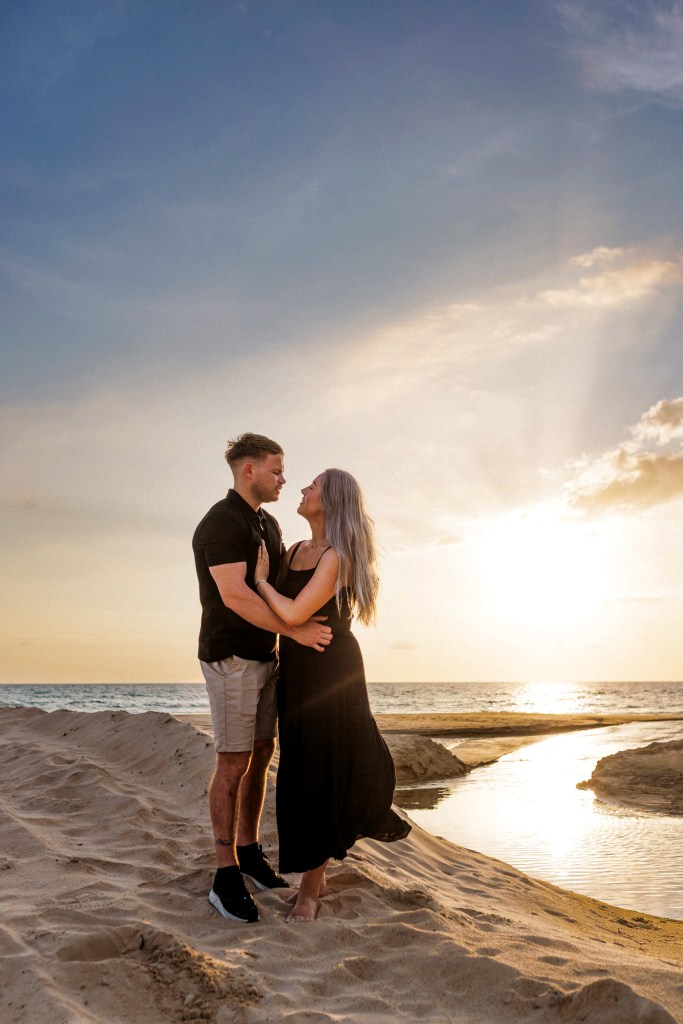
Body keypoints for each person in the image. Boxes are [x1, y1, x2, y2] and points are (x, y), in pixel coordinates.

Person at [253, 468, 411, 922]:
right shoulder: (295, 551)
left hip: (332, 672)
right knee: (302, 768)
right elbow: (283, 617)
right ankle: (315, 878)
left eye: (314, 485)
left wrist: (264, 583)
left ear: (333, 499)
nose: (302, 489)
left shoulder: (337, 557)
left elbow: (294, 609)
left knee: (323, 769)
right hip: (298, 672)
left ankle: (309, 891)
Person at [192, 433, 332, 924]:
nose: (283, 478)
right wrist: (295, 631)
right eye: (275, 469)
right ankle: (224, 873)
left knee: (260, 755)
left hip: (265, 658)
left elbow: (271, 586)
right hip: (230, 659)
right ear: (247, 470)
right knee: (232, 763)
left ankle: (249, 852)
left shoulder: (268, 523)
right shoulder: (221, 523)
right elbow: (235, 596)